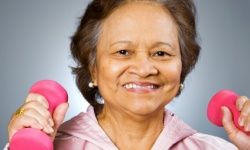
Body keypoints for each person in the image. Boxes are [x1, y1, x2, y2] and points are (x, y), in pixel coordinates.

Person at [6, 0, 250, 149]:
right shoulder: (46, 145)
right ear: (93, 67)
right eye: (123, 51)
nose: (144, 69)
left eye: (161, 53)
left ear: (181, 67)